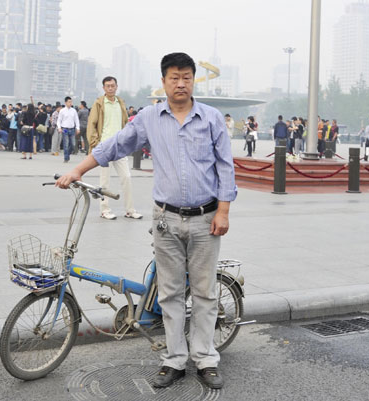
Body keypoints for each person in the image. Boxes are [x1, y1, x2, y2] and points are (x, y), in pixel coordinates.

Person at [57, 52, 236, 391]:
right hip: (166, 219)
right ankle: (174, 360)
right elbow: (114, 146)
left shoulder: (211, 118)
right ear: (164, 81)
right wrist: (78, 170)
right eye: (174, 77)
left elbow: (225, 166)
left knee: (203, 292)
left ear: (193, 80)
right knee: (169, 293)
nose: (180, 83)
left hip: (205, 218)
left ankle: (206, 358)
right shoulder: (150, 118)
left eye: (186, 76)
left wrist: (224, 210)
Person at [86, 77, 142, 220]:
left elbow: (125, 123)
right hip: (104, 146)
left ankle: (130, 210)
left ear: (116, 87)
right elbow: (91, 124)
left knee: (127, 178)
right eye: (107, 86)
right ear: (103, 88)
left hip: (119, 146)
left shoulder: (120, 103)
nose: (110, 88)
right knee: (104, 181)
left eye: (112, 86)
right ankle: (105, 210)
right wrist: (95, 143)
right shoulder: (99, 103)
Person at [58, 97, 79, 163]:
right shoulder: (62, 111)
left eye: (71, 102)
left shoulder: (74, 110)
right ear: (66, 102)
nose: (70, 103)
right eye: (69, 102)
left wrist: (78, 128)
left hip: (72, 129)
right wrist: (59, 127)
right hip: (65, 129)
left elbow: (76, 120)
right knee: (66, 144)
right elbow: (59, 120)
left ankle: (68, 154)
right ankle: (66, 158)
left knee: (73, 144)